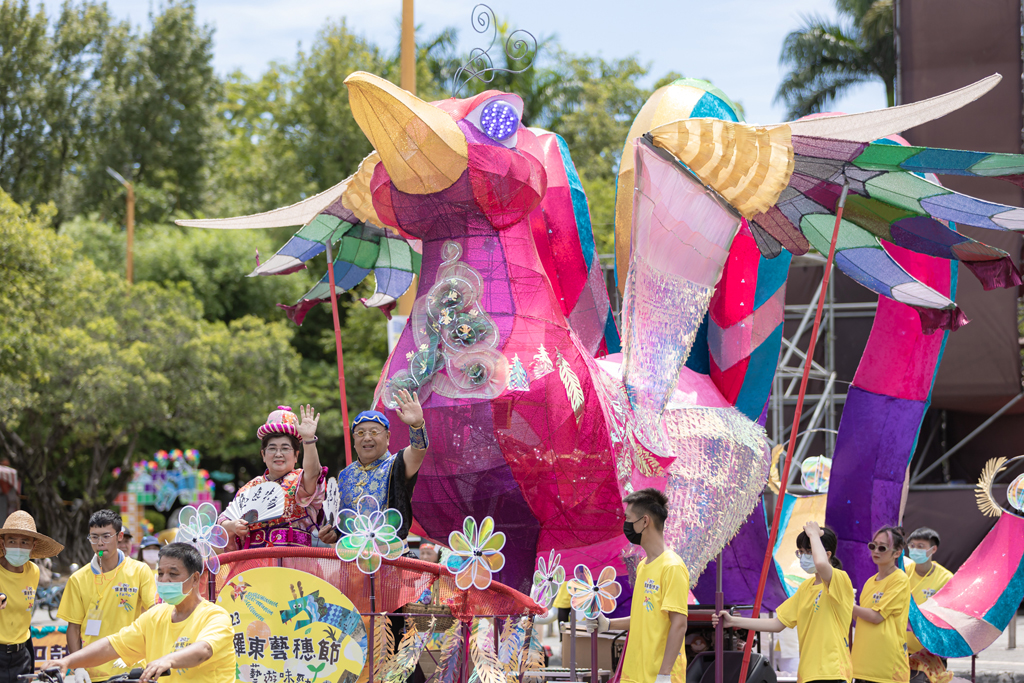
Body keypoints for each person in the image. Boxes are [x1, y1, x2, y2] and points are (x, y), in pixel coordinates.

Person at [43, 542, 234, 683]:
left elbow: (204, 650)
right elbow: (113, 645)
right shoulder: (155, 616)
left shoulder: (215, 616)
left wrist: (168, 660)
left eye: (173, 574)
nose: (164, 580)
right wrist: (68, 662)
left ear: (194, 579)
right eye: (160, 573)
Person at [712, 522, 854, 683]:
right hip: (808, 674)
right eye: (801, 552)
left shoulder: (841, 580)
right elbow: (778, 623)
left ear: (827, 554)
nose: (804, 557)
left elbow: (821, 564)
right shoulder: (805, 588)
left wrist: (814, 534)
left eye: (809, 551)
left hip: (833, 673)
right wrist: (733, 621)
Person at [587, 488, 688, 683]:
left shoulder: (672, 566)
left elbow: (679, 624)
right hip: (634, 675)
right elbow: (645, 617)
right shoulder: (644, 565)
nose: (625, 525)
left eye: (628, 518)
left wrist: (664, 675)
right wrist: (608, 624)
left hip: (659, 676)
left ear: (644, 521)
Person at [58, 509, 157, 683]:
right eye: (94, 537)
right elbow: (73, 628)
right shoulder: (78, 579)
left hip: (130, 668)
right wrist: (78, 666)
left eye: (106, 536)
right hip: (92, 672)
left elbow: (155, 614)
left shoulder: (140, 571)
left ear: (120, 536)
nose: (100, 543)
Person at [318, 390, 428, 543]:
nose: (367, 438)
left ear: (388, 437)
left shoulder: (397, 463)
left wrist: (417, 424)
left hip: (389, 556)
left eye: (374, 432)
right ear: (354, 440)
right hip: (351, 559)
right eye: (361, 433)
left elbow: (418, 450)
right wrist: (333, 534)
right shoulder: (345, 475)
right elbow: (341, 522)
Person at [219, 405, 326, 549]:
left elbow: (313, 473)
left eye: (285, 448)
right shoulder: (250, 487)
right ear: (263, 455)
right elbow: (223, 521)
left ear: (296, 455)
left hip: (296, 564)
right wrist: (232, 526)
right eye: (272, 448)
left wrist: (308, 440)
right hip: (255, 565)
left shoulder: (300, 480)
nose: (278, 454)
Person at [0, 511, 64, 683]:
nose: (18, 547)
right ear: (3, 543)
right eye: (12, 541)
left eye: (24, 542)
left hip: (22, 655)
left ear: (33, 546)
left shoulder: (33, 572)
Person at [851, 526, 912, 683]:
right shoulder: (870, 582)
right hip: (861, 667)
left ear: (897, 553)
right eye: (873, 546)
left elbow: (876, 617)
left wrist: (847, 604)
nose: (876, 551)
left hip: (887, 670)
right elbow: (860, 618)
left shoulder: (899, 580)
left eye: (882, 547)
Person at [904, 527, 952, 654]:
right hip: (902, 649)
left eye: (920, 546)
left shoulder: (946, 578)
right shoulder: (902, 572)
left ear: (933, 549)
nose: (915, 550)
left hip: (930, 650)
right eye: (912, 545)